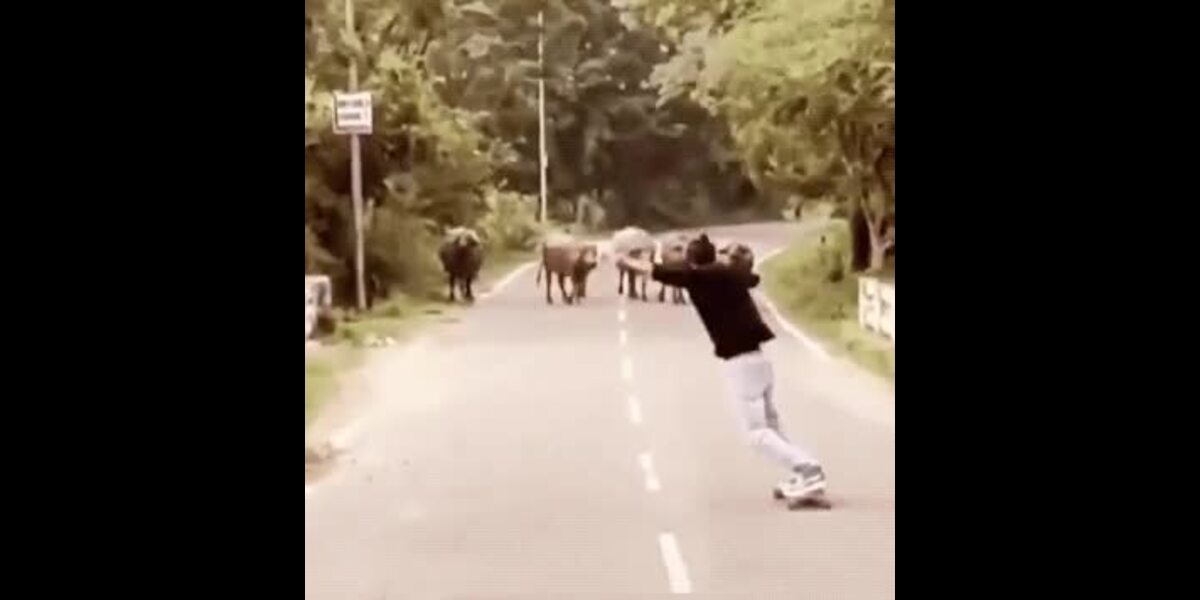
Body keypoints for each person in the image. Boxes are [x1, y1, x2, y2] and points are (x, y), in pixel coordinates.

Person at [618, 233, 827, 500]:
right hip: (759, 360)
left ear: (691, 262)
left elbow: (654, 270)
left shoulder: (700, 277)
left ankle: (809, 470)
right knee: (771, 426)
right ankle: (802, 470)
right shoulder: (730, 275)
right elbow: (752, 277)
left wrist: (624, 258)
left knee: (756, 433)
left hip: (741, 364)